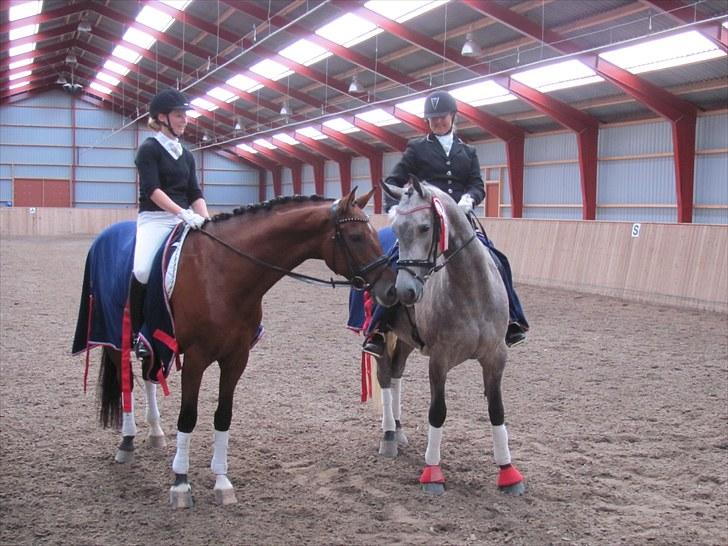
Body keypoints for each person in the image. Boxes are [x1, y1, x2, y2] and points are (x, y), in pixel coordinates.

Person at [361, 90, 529, 357]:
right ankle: (379, 327)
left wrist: (469, 199)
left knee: (498, 261)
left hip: (459, 223)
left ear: (453, 117)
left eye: (442, 117)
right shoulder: (417, 148)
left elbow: (477, 184)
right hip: (424, 223)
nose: (437, 121)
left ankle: (512, 321)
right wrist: (397, 208)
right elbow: (394, 181)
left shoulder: (468, 151)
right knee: (394, 262)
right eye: (432, 118)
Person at [129, 88, 210, 358]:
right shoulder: (148, 149)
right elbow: (152, 189)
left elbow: (195, 193)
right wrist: (182, 213)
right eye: (179, 115)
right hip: (155, 219)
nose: (184, 120)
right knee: (141, 270)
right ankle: (138, 332)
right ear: (162, 117)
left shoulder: (186, 155)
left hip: (185, 218)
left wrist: (206, 219)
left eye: (185, 115)